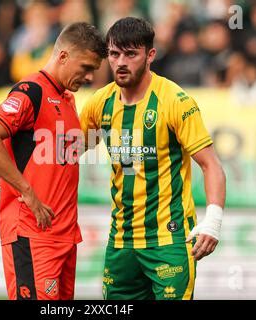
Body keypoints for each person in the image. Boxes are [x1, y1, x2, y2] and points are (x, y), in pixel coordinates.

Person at [80, 17, 226, 300]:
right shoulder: (100, 103)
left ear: (150, 55)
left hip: (169, 241)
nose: (121, 62)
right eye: (114, 54)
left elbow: (211, 166)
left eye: (131, 54)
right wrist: (9, 171)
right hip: (121, 242)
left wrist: (213, 222)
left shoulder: (175, 101)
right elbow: (67, 152)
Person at [0, 22, 106, 300]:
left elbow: (55, 153)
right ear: (64, 56)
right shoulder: (31, 91)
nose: (90, 77)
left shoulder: (66, 98)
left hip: (64, 235)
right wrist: (26, 190)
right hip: (33, 233)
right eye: (86, 67)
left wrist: (6, 173)